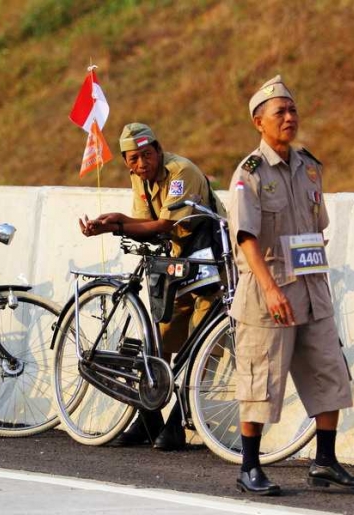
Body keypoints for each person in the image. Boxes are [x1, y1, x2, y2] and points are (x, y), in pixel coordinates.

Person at [228, 75, 354, 495]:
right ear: (260, 122)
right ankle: (249, 467)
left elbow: (316, 226)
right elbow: (246, 238)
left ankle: (325, 461)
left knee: (330, 372)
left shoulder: (310, 167)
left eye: (292, 110)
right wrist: (271, 289)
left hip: (312, 290)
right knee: (261, 381)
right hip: (268, 292)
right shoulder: (250, 174)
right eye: (280, 113)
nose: (289, 117)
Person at [79, 122, 226, 451]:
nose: (141, 164)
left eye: (147, 155)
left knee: (201, 346)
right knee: (159, 341)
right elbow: (145, 224)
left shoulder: (180, 172)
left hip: (210, 263)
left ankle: (177, 422)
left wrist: (115, 225)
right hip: (178, 263)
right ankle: (148, 419)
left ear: (159, 151)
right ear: (126, 162)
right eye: (133, 159)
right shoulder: (139, 178)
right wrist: (113, 221)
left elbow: (163, 224)